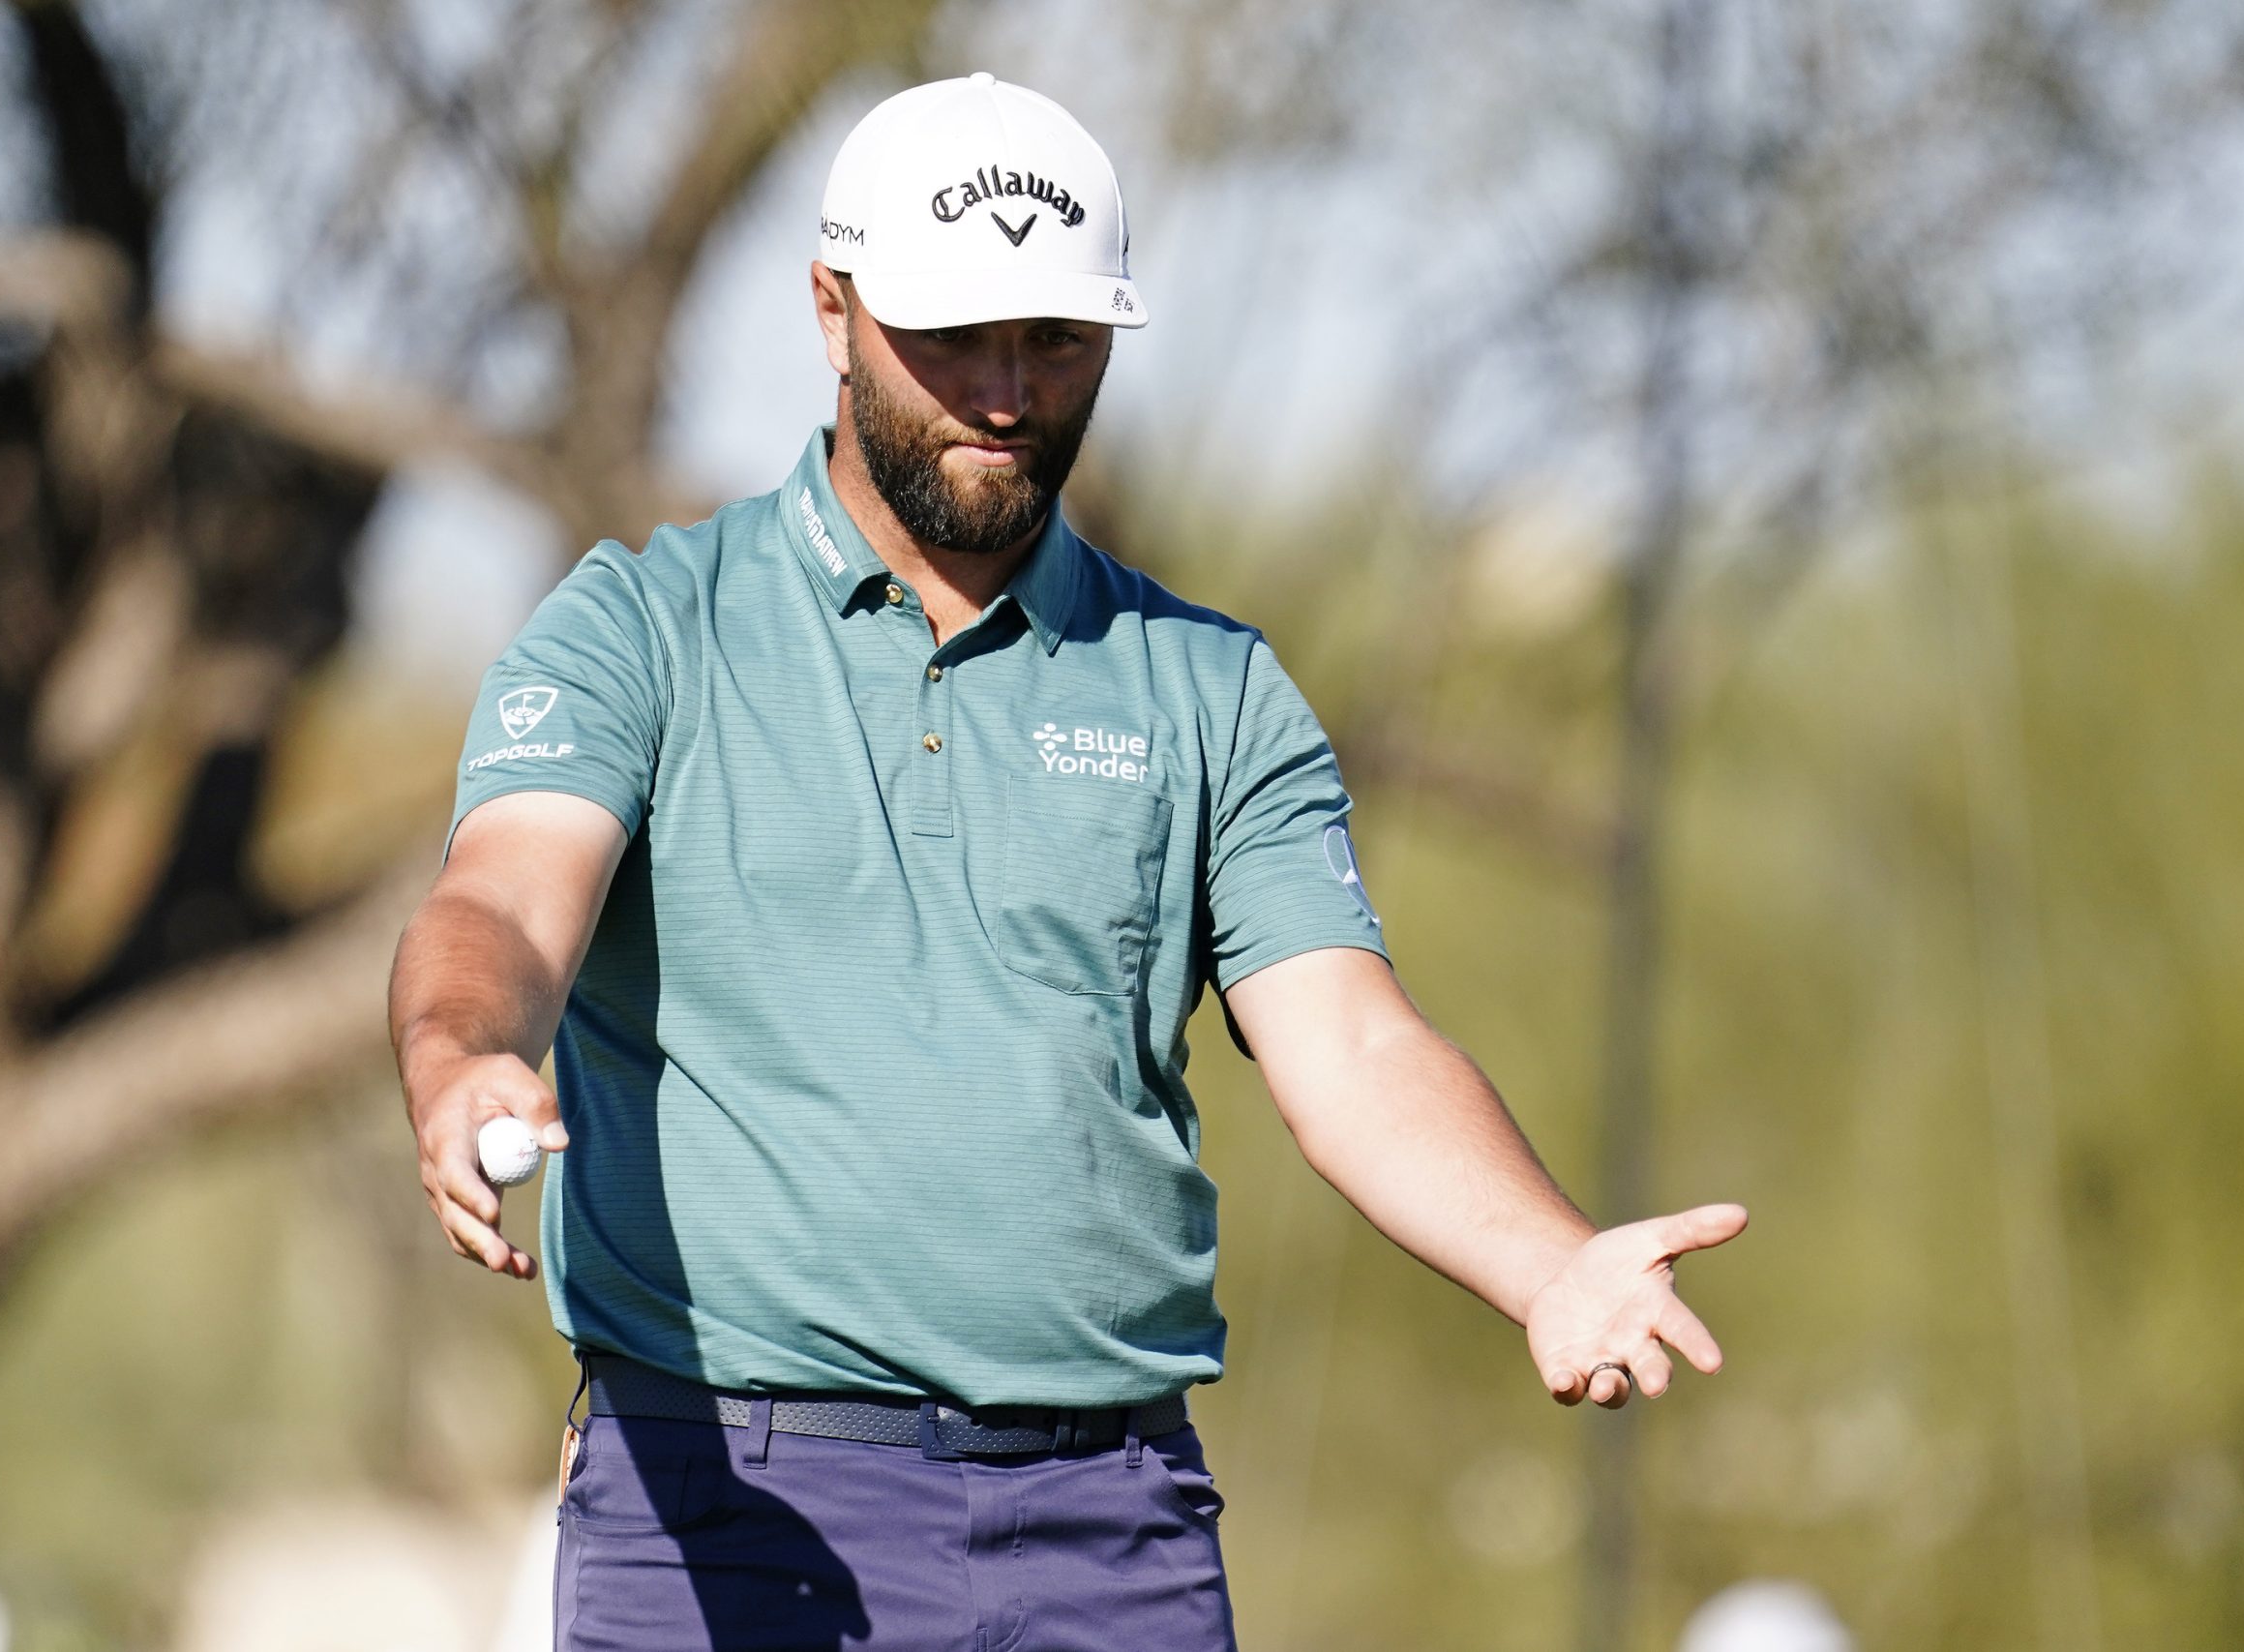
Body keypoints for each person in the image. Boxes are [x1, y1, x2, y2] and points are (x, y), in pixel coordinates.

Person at [389, 72, 1746, 1651]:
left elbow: (1355, 1046)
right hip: (732, 1505)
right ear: (832, 310)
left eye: (1057, 340)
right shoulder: (645, 625)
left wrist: (1548, 1261)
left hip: (1111, 1524)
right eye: (953, 335)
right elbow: (498, 900)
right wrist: (466, 1054)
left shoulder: (1208, 683)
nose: (1007, 390)